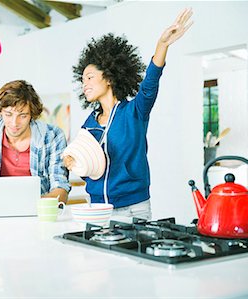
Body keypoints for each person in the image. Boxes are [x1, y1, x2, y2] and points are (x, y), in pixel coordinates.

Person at [63, 8, 193, 220]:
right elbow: (88, 160)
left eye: (89, 77)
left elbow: (150, 84)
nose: (84, 84)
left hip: (134, 208)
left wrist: (162, 45)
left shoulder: (134, 112)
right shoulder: (90, 122)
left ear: (109, 77)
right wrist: (72, 159)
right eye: (83, 79)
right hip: (98, 209)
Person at [0, 80, 70, 203]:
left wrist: (28, 205)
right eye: (8, 114)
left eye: (23, 115)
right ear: (0, 112)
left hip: (38, 212)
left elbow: (61, 188)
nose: (14, 123)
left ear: (32, 115)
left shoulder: (53, 136)